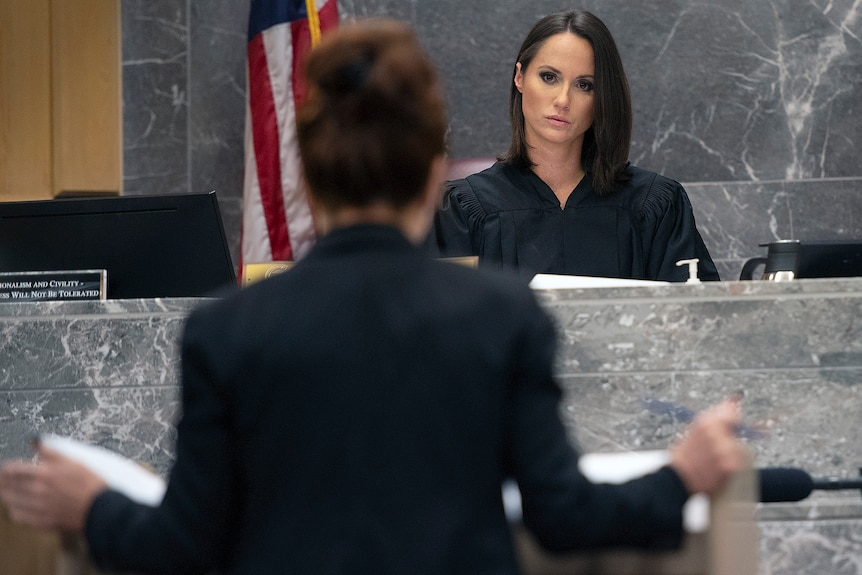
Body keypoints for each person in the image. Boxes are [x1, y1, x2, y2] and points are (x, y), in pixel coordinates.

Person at [0, 18, 745, 575]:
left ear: (307, 183)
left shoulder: (224, 331)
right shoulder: (500, 317)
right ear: (434, 177)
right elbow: (565, 515)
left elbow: (185, 541)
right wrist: (682, 472)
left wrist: (90, 503)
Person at [427, 9, 720, 283]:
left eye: (585, 85)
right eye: (549, 77)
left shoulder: (655, 207)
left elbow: (697, 323)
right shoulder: (463, 212)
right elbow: (443, 323)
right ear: (519, 77)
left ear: (602, 97)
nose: (563, 100)